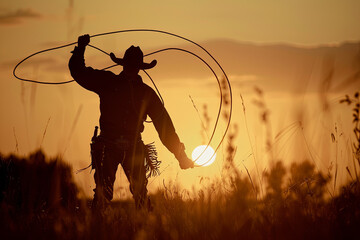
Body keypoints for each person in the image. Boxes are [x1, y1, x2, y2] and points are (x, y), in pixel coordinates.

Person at [69, 34, 194, 211]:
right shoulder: (124, 86)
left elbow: (165, 128)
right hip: (111, 146)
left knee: (139, 194)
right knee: (106, 194)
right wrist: (80, 49)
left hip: (129, 147)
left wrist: (181, 156)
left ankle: (141, 232)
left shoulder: (121, 85)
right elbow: (79, 72)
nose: (132, 69)